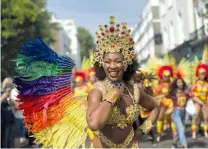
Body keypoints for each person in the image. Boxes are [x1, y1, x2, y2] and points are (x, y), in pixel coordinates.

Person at [86, 16, 159, 148]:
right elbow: (93, 124)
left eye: (117, 61)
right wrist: (110, 97)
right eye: (107, 62)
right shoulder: (97, 91)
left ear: (125, 64)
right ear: (102, 65)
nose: (112, 66)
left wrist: (141, 132)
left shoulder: (134, 91)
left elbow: (154, 108)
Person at [191, 64, 208, 138]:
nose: (203, 75)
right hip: (197, 102)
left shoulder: (207, 84)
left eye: (204, 74)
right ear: (198, 74)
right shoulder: (195, 84)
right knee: (196, 115)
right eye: (201, 74)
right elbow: (192, 95)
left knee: (206, 117)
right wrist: (199, 101)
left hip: (205, 102)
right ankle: (194, 132)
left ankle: (205, 132)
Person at [1, 77, 16, 148]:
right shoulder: (1, 93)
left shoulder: (11, 94)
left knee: (10, 139)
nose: (9, 87)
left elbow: (15, 107)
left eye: (11, 85)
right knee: (4, 140)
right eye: (8, 85)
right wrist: (3, 97)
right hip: (3, 120)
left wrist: (12, 101)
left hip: (11, 119)